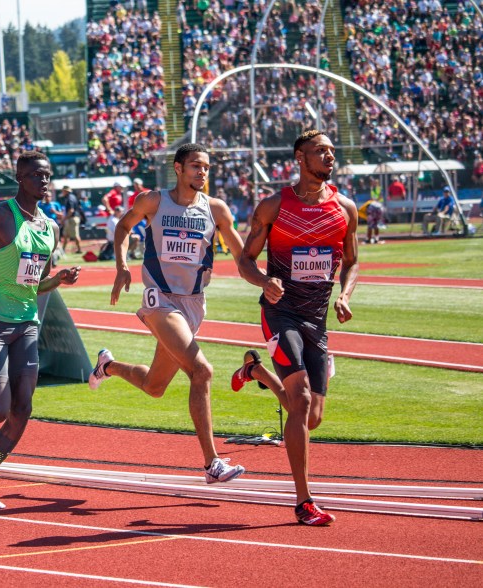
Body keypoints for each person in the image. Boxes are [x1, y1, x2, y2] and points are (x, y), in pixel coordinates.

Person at [89, 143, 247, 487]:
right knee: (202, 371)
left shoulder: (216, 210)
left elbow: (241, 255)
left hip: (193, 303)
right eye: (195, 166)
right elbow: (121, 227)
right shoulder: (153, 201)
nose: (202, 172)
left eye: (205, 167)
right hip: (158, 298)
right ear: (178, 168)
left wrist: (266, 280)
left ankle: (107, 365)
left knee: (154, 386)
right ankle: (212, 463)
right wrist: (121, 266)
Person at [232, 129, 359, 526]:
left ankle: (255, 372)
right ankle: (304, 501)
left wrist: (346, 295)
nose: (329, 157)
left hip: (316, 319)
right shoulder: (274, 207)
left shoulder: (345, 207)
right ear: (300, 159)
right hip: (280, 312)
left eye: (332, 152)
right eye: (320, 151)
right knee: (300, 400)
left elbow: (352, 261)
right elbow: (246, 260)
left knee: (311, 416)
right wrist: (263, 281)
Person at [0, 151, 81, 509]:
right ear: (20, 178)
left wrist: (59, 279)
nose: (44, 181)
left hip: (27, 325)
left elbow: (36, 285)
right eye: (37, 175)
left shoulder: (50, 228)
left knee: (22, 411)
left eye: (48, 175)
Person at [59, 186, 84, 254]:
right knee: (66, 235)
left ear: (66, 191)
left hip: (72, 218)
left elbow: (71, 210)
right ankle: (63, 250)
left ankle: (79, 249)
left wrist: (64, 219)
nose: (62, 192)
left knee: (75, 235)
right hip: (72, 218)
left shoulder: (69, 198)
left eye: (63, 191)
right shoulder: (73, 197)